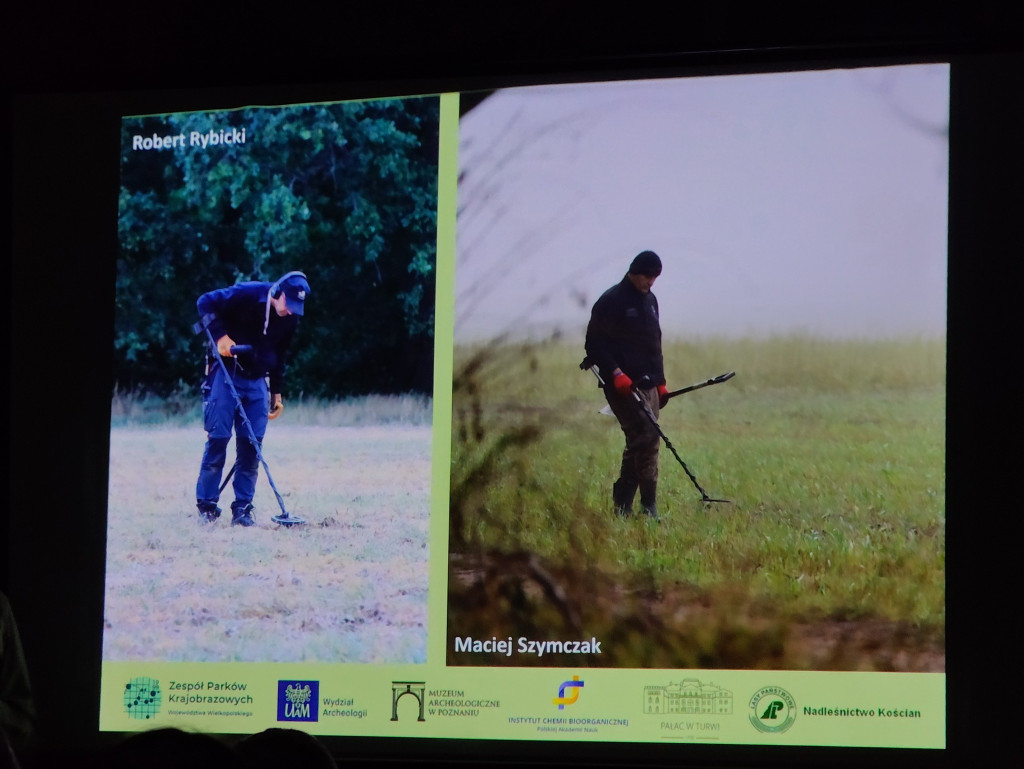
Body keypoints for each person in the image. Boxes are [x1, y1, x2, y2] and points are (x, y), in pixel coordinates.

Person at [195, 271, 310, 526]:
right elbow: (204, 302)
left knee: (252, 447)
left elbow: (281, 354)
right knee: (219, 438)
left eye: (296, 307)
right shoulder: (248, 293)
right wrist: (220, 337)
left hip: (258, 381)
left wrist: (276, 391)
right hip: (226, 373)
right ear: (277, 293)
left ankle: (243, 510)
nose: (290, 311)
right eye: (288, 304)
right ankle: (207, 507)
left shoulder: (290, 318)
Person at [585, 250, 668, 519]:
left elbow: (655, 344)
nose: (651, 282)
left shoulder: (651, 301)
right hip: (622, 385)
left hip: (649, 383)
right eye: (647, 276)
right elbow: (594, 344)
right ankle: (649, 506)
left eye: (655, 277)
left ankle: (622, 503)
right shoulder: (611, 301)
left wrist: (661, 381)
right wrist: (616, 372)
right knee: (648, 436)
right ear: (634, 272)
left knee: (639, 441)